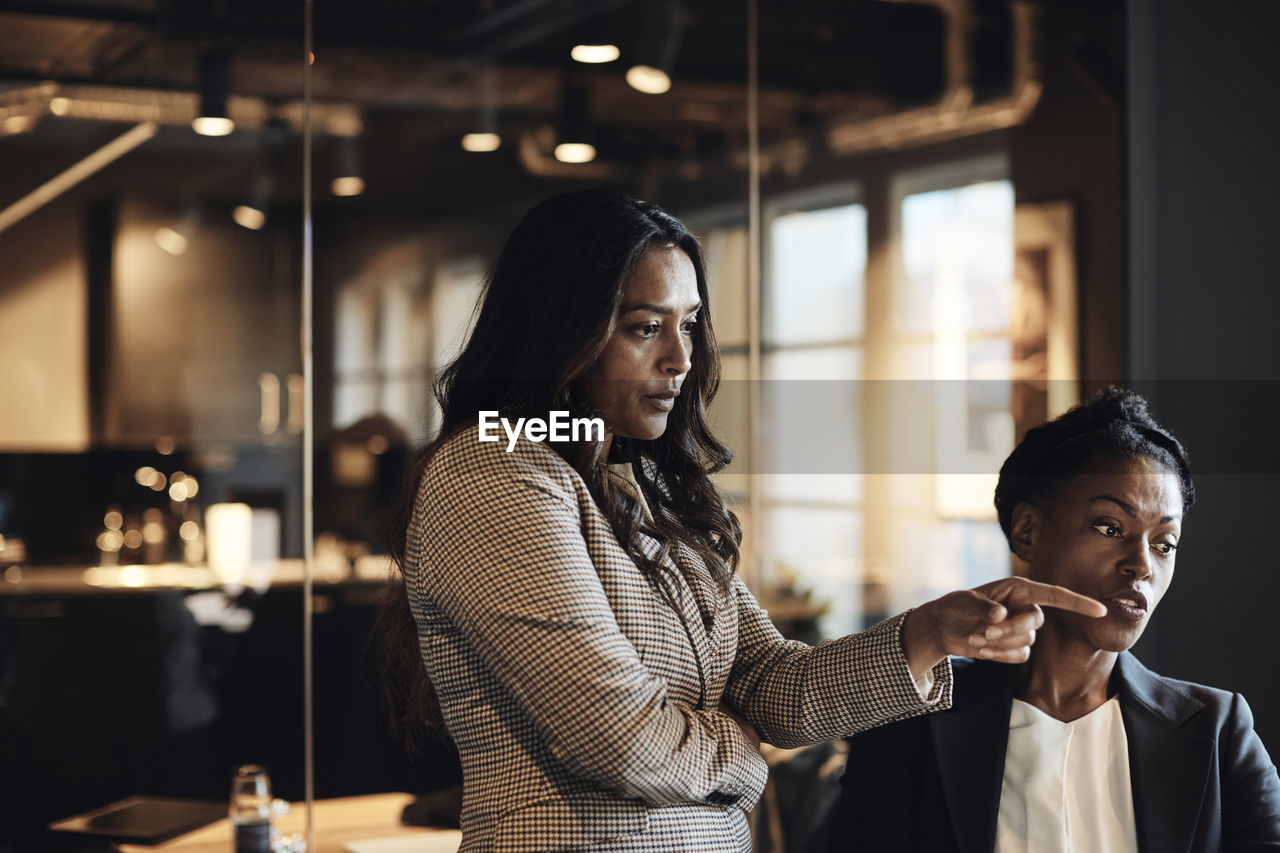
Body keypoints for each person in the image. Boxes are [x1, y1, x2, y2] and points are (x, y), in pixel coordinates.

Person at [379, 188, 1104, 852]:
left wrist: (928, 633)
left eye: (689, 324)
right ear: (560, 332)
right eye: (643, 327)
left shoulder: (645, 484)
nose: (681, 358)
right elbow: (620, 738)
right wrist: (743, 756)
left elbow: (770, 685)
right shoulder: (492, 468)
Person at [832, 387, 1280, 852]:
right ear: (1028, 531)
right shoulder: (913, 721)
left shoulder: (1216, 729)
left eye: (1164, 543)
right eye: (1110, 527)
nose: (1142, 565)